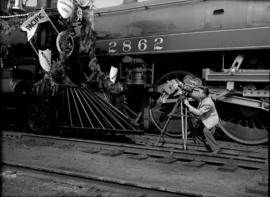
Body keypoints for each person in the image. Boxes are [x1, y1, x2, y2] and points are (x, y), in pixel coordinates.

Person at [184, 87, 221, 153]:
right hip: (206, 117)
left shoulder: (208, 103)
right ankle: (201, 140)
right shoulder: (205, 98)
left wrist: (188, 105)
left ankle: (216, 148)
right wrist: (190, 93)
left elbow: (198, 113)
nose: (198, 94)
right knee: (195, 125)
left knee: (206, 131)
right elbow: (197, 98)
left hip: (211, 119)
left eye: (200, 93)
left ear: (204, 94)